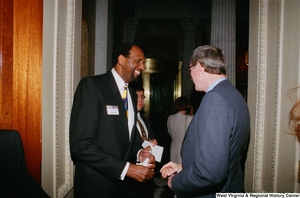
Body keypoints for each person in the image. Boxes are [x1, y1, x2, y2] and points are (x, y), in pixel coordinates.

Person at [160, 45, 250, 197]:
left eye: (190, 71)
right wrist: (184, 167)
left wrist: (176, 181)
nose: (191, 76)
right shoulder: (234, 95)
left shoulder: (215, 99)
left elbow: (209, 174)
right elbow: (219, 159)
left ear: (199, 67)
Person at [69, 43, 156, 198]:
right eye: (138, 61)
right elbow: (81, 145)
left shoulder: (130, 92)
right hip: (96, 185)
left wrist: (139, 153)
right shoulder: (93, 86)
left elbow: (124, 136)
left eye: (143, 63)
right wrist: (126, 169)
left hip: (121, 186)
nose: (142, 67)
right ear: (121, 59)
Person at [129, 86, 158, 198]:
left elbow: (148, 137)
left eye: (142, 96)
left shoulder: (144, 119)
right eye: (137, 96)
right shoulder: (125, 120)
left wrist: (152, 141)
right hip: (132, 171)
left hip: (147, 169)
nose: (141, 100)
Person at [167, 96, 193, 164]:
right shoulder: (189, 119)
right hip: (184, 149)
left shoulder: (170, 118)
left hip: (173, 147)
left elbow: (170, 133)